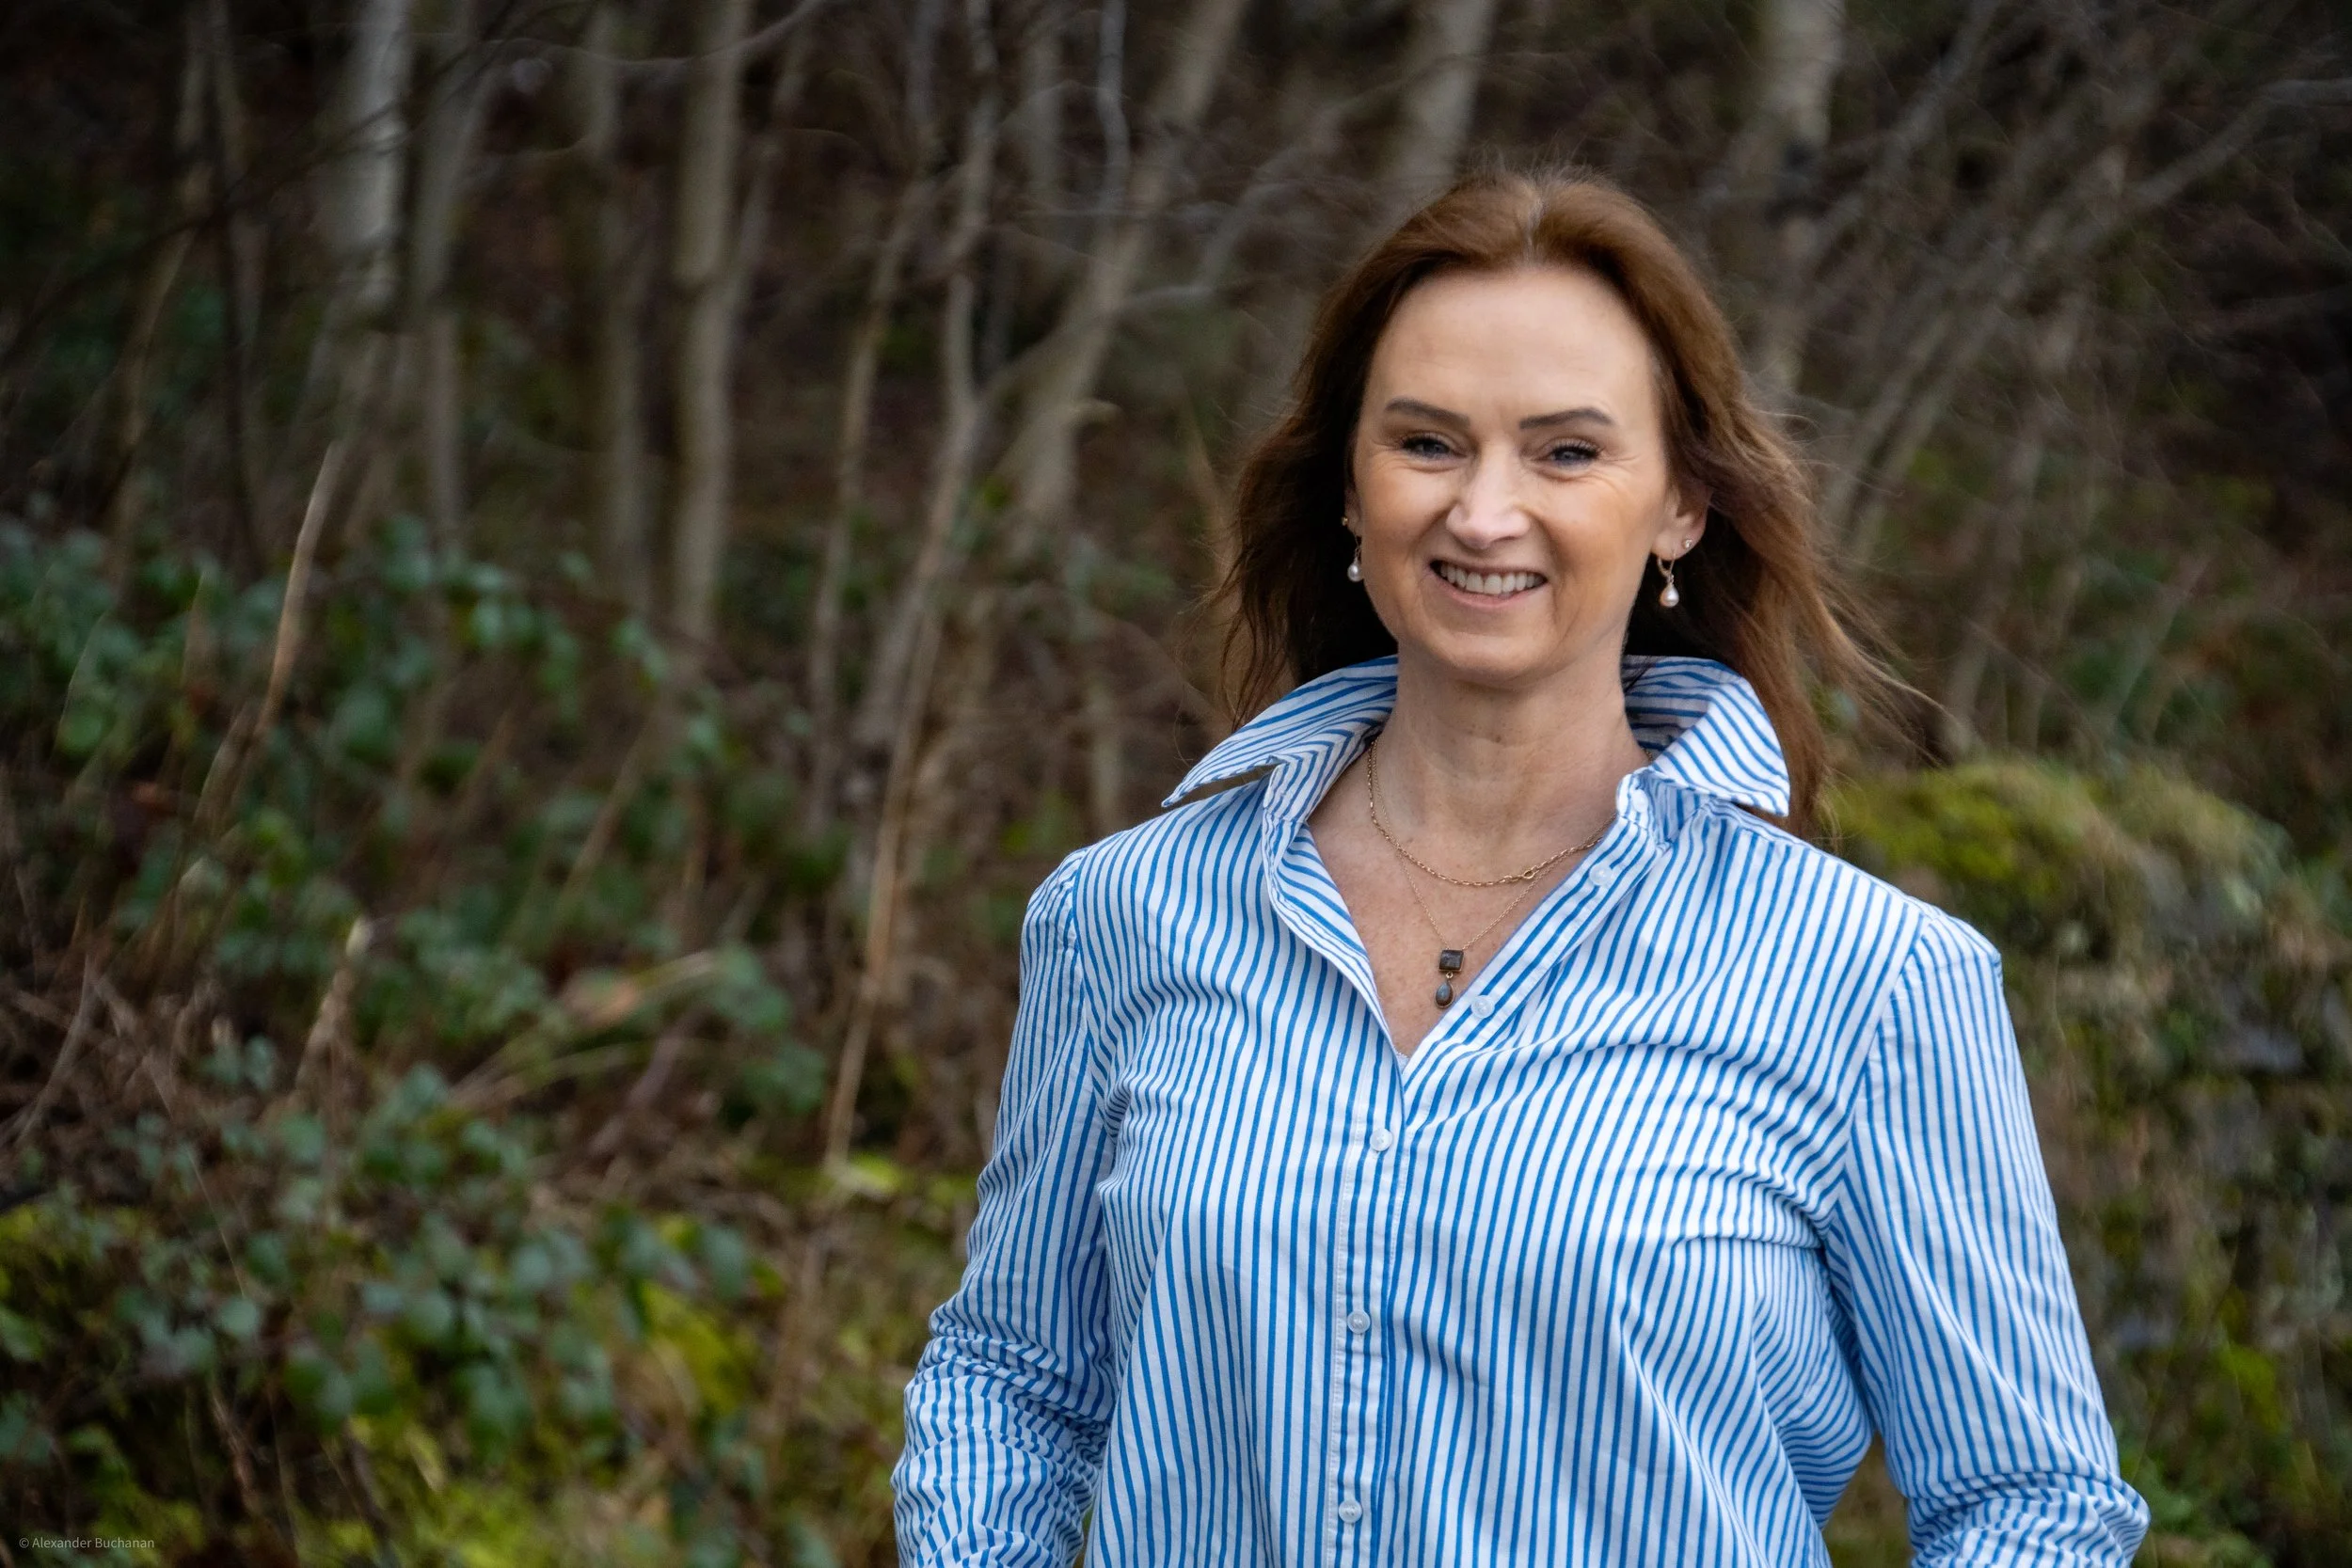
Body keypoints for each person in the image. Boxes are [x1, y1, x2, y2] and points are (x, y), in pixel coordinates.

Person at [893, 169, 2150, 1567]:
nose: (1485, 513)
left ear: (1681, 504)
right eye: (1428, 443)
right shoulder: (1128, 916)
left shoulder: (1873, 985)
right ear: (1348, 498)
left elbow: (2032, 1505)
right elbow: (1013, 1381)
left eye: (1566, 453)